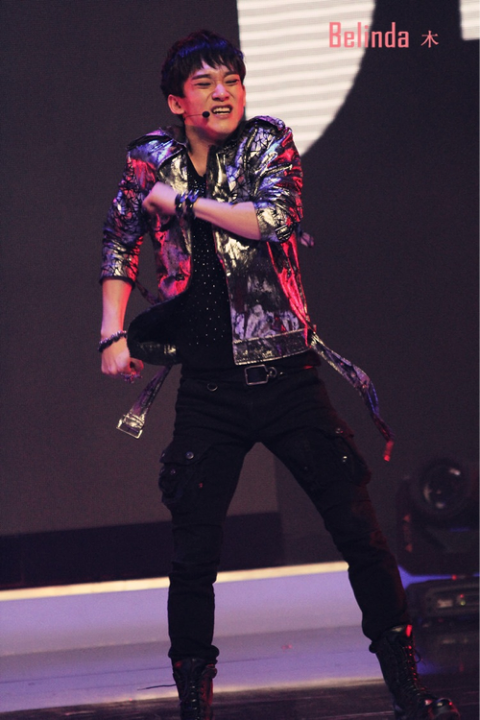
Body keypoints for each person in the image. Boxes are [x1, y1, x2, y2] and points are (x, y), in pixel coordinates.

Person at [99, 29, 460, 720]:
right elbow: (119, 239)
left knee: (358, 531)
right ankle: (194, 704)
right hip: (209, 387)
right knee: (193, 551)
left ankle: (409, 693)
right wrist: (112, 332)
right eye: (205, 83)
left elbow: (271, 219)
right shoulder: (149, 160)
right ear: (177, 102)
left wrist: (181, 204)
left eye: (231, 79)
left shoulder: (269, 142)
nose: (223, 92)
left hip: (288, 376)